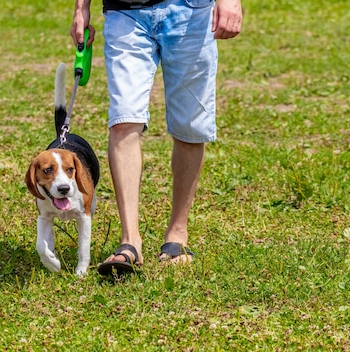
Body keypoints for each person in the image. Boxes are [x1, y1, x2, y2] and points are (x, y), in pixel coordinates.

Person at [70, 0, 242, 275]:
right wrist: (81, 7)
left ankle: (177, 234)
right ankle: (130, 240)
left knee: (190, 127)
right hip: (125, 11)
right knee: (123, 121)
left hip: (192, 11)